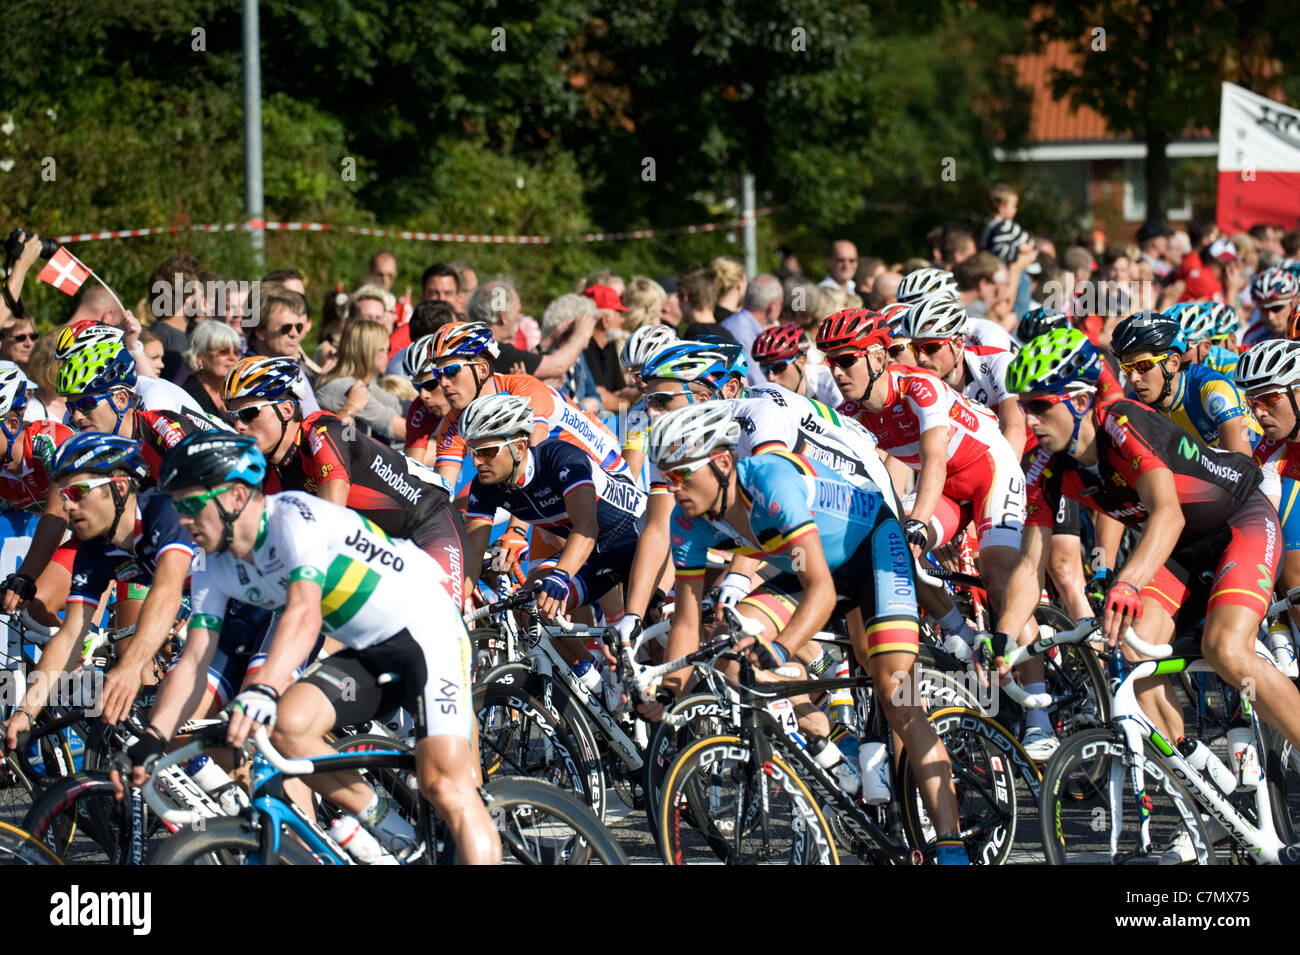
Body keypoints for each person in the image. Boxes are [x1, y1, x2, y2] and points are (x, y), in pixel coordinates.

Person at [129, 432, 500, 864]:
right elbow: (195, 658)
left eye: (191, 505)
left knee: (445, 786)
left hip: (426, 628)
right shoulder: (213, 563)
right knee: (286, 726)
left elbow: (304, 612)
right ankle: (392, 833)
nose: (184, 520)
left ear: (233, 496)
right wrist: (153, 739)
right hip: (369, 648)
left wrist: (262, 689)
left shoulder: (291, 516)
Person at [997, 330, 1300, 859]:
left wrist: (1126, 581)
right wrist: (999, 640)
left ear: (1083, 399)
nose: (1031, 422)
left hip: (1239, 520)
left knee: (1225, 649)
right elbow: (1030, 565)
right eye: (1025, 408)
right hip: (1181, 549)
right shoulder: (1047, 468)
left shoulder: (1123, 422)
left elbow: (1168, 510)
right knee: (1135, 663)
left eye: (1042, 407)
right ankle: (1201, 801)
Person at [644, 402, 967, 864]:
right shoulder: (687, 520)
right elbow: (688, 621)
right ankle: (837, 743)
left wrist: (779, 647)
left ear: (720, 463)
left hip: (873, 550)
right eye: (666, 477)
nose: (674, 490)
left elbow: (822, 592)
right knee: (729, 660)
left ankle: (952, 848)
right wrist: (671, 693)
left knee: (898, 695)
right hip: (809, 567)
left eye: (681, 475)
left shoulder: (770, 481)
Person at [817, 309, 1032, 735]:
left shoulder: (919, 387)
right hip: (949, 489)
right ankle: (960, 635)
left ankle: (1041, 715)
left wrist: (917, 521)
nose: (837, 372)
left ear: (878, 357)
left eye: (846, 359)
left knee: (998, 576)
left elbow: (934, 461)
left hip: (989, 467)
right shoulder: (852, 416)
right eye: (830, 362)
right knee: (892, 547)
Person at [223, 354, 466, 610]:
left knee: (444, 620)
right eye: (233, 416)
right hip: (381, 549)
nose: (238, 425)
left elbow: (330, 516)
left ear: (286, 409)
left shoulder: (324, 430)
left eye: (248, 413)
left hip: (427, 523)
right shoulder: (272, 471)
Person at [2, 433, 195, 747]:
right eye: (63, 495)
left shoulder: (164, 511)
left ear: (119, 487)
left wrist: (131, 667)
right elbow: (70, 636)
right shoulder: (96, 551)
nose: (67, 506)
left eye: (77, 492)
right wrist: (26, 711)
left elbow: (169, 591)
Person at [460, 393, 645, 637]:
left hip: (638, 543)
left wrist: (560, 576)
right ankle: (587, 674)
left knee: (657, 635)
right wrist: (455, 602)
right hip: (595, 555)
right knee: (531, 609)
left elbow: (587, 527)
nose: (475, 462)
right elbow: (473, 554)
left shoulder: (560, 459)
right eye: (471, 451)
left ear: (518, 447)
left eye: (486, 452)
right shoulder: (484, 486)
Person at [424, 322, 628, 487]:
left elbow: (532, 472)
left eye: (451, 371)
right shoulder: (455, 421)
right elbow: (443, 490)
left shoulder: (523, 389)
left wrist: (517, 532)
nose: (443, 382)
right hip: (557, 484)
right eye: (438, 373)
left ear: (483, 371)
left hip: (605, 469)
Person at [1236, 339, 1300, 675]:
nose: (1259, 412)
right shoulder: (1271, 447)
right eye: (1251, 402)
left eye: (1269, 399)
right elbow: (1264, 518)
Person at [1109, 311, 1258, 456]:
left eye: (1142, 366)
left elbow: (1245, 474)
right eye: (1127, 369)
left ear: (1173, 363)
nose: (1134, 378)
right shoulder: (1135, 405)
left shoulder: (1211, 389)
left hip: (1264, 467)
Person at [897, 296, 1027, 457]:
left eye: (930, 348)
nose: (921, 358)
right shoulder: (916, 383)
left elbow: (1014, 428)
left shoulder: (997, 363)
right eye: (914, 349)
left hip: (1026, 450)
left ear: (958, 345)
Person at [0, 367, 77, 626]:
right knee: (36, 613)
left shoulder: (49, 442)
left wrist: (25, 576)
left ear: (12, 425)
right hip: (85, 543)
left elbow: (57, 514)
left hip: (123, 540)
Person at [314, 319, 405, 443]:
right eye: (386, 349)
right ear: (368, 353)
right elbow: (399, 429)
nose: (389, 355)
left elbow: (398, 406)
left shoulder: (363, 383)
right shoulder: (345, 387)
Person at [750, 323, 841, 406]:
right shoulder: (765, 396)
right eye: (764, 369)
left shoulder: (831, 383)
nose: (771, 378)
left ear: (801, 362)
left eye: (778, 368)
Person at [180, 320, 243, 420]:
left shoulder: (234, 392)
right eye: (223, 351)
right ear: (200, 358)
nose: (232, 358)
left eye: (236, 352)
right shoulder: (189, 396)